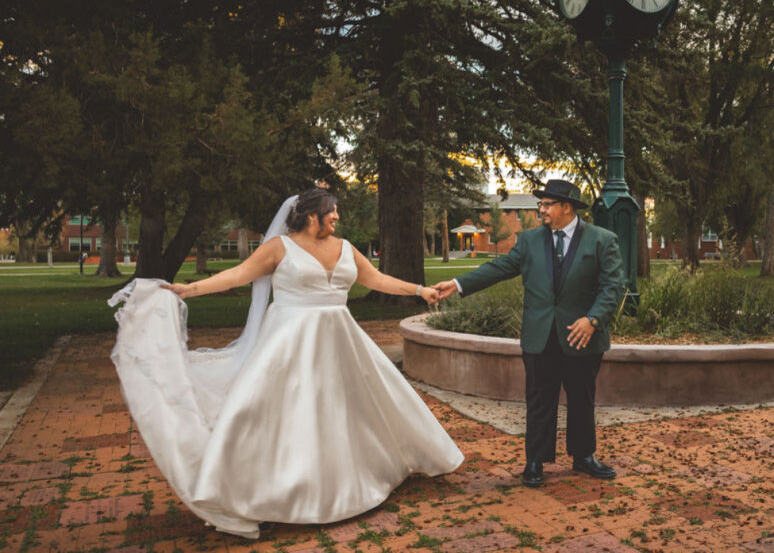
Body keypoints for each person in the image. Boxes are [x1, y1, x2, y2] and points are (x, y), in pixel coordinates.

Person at [108, 189, 463, 539]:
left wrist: (420, 291)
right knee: (281, 414)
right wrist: (191, 289)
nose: (337, 216)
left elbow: (377, 279)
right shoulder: (279, 248)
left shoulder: (346, 248)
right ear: (311, 215)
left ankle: (352, 481)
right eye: (332, 210)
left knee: (351, 408)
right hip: (289, 343)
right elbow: (237, 275)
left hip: (341, 339)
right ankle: (271, 490)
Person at [433, 179, 625, 487]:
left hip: (583, 336)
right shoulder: (529, 240)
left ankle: (583, 456)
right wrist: (457, 284)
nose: (541, 210)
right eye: (541, 204)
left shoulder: (602, 240)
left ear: (567, 207)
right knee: (538, 399)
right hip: (540, 335)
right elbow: (499, 268)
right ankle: (535, 461)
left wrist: (592, 319)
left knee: (581, 398)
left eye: (547, 205)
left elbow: (613, 287)